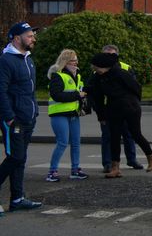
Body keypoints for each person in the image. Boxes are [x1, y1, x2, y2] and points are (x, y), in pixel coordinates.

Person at [89, 51, 152, 177]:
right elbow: (98, 97)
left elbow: (136, 88)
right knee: (114, 137)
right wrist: (101, 116)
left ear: (104, 66)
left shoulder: (121, 73)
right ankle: (115, 167)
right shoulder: (98, 78)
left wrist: (135, 102)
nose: (95, 70)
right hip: (113, 108)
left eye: (97, 67)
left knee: (135, 133)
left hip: (130, 107)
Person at [0, 21, 43, 214]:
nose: (33, 38)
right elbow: (1, 91)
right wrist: (9, 117)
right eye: (29, 35)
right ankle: (16, 198)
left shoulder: (27, 58)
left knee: (21, 159)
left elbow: (30, 90)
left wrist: (34, 112)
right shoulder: (6, 60)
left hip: (28, 117)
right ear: (17, 38)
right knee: (15, 157)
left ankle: (17, 198)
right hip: (14, 119)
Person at [93, 45, 143, 171]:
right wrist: (100, 113)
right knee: (108, 137)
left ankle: (132, 159)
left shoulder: (125, 68)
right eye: (106, 55)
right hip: (108, 110)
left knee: (129, 134)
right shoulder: (98, 71)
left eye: (112, 55)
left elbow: (135, 88)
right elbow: (95, 95)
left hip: (126, 108)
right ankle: (108, 163)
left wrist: (133, 105)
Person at [45, 49, 89, 182]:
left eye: (76, 60)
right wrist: (77, 95)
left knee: (76, 143)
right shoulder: (57, 75)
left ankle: (75, 170)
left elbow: (81, 93)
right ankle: (52, 171)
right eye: (73, 60)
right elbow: (57, 95)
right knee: (63, 142)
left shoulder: (78, 75)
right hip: (59, 113)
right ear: (65, 61)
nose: (76, 63)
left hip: (73, 113)